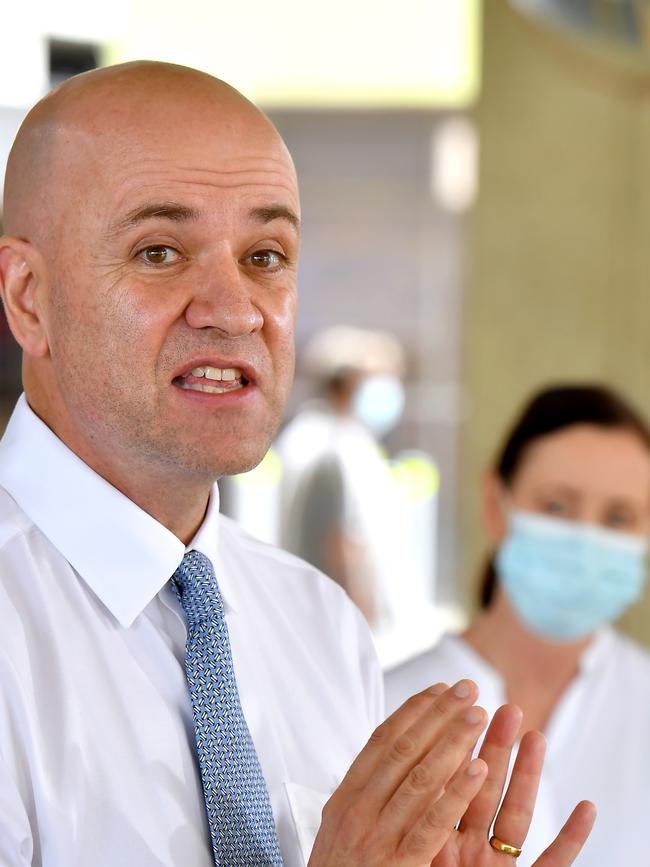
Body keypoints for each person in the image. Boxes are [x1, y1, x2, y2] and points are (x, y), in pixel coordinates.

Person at [0, 61, 594, 866]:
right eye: (160, 251)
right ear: (28, 296)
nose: (235, 308)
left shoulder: (319, 625)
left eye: (266, 255)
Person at [386, 383, 650, 867]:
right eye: (556, 506)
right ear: (495, 504)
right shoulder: (388, 707)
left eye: (619, 516)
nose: (586, 539)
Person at [275, 325, 408, 630]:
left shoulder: (315, 436)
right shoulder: (332, 448)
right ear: (345, 385)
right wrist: (360, 619)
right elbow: (337, 538)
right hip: (335, 616)